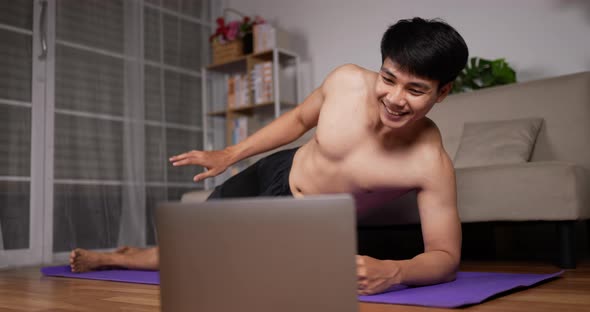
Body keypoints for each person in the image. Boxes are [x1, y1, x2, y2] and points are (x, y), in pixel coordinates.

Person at [70, 17, 468, 295]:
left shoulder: (429, 162)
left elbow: (445, 257)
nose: (395, 99)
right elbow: (297, 120)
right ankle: (119, 256)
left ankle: (122, 258)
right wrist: (230, 153)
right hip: (274, 170)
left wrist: (396, 270)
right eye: (388, 79)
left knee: (215, 269)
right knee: (192, 243)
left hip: (303, 218)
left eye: (415, 90)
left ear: (443, 92)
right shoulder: (346, 81)